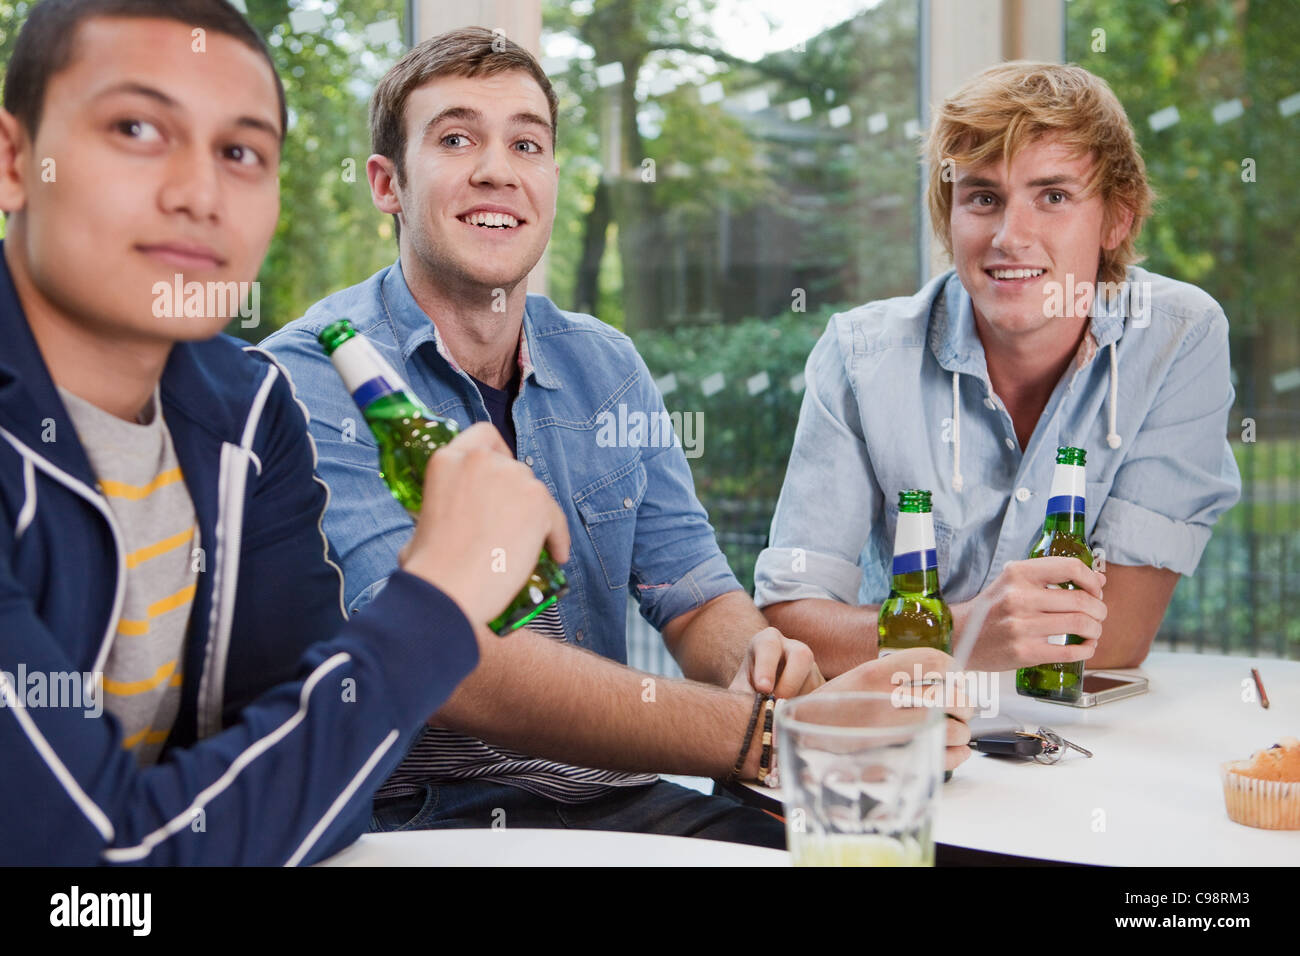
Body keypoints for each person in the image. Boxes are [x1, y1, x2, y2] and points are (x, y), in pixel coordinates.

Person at [262, 27, 972, 845]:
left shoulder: (607, 367)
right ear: (387, 184)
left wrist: (767, 666)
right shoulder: (314, 377)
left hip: (615, 798)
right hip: (416, 817)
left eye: (526, 143)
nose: (497, 168)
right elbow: (454, 667)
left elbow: (696, 596)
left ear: (552, 181)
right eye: (456, 138)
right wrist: (771, 737)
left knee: (898, 854)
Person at [0, 0, 571, 865]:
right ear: (13, 162)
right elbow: (91, 879)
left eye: (240, 153)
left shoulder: (248, 410)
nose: (198, 194)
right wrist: (441, 601)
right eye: (137, 128)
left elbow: (309, 774)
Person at [755, 62, 1242, 677]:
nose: (1012, 237)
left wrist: (920, 633)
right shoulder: (861, 357)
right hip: (912, 729)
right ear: (949, 215)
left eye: (1054, 197)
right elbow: (791, 622)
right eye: (983, 197)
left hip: (1075, 733)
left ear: (1117, 219)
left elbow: (1118, 636)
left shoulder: (1177, 337)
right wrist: (968, 631)